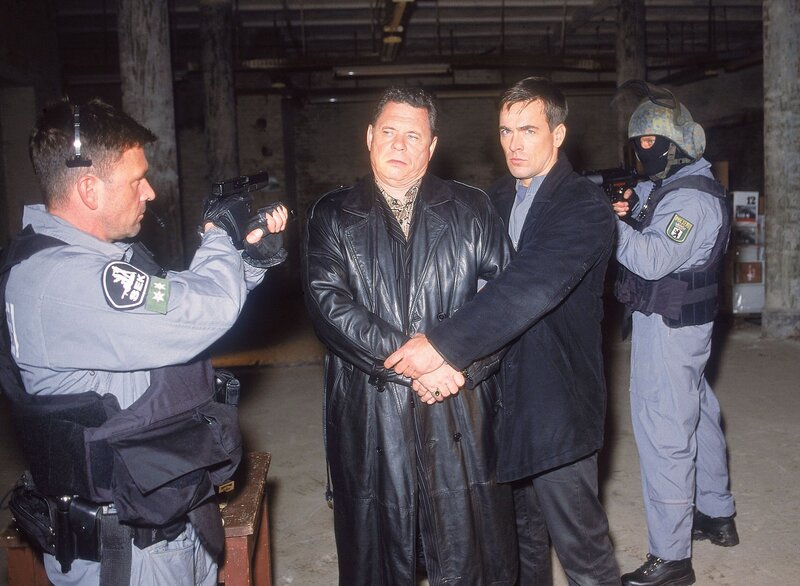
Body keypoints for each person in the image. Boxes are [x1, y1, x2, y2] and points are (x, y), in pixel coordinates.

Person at [0, 98, 288, 585]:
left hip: (161, 512)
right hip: (128, 550)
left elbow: (174, 305)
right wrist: (219, 235)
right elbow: (201, 311)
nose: (150, 192)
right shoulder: (62, 281)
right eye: (136, 180)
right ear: (89, 189)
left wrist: (247, 261)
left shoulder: (90, 260)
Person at [385, 77, 620, 585]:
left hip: (556, 401)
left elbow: (527, 288)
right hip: (501, 401)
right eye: (506, 131)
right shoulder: (494, 199)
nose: (514, 143)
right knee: (520, 547)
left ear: (558, 134)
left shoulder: (583, 207)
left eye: (528, 130)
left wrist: (441, 347)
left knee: (582, 550)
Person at [302, 87, 517, 585]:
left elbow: (506, 300)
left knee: (469, 554)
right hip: (371, 408)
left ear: (432, 146)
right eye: (389, 131)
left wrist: (456, 359)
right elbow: (328, 305)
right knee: (378, 553)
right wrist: (420, 362)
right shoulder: (332, 214)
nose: (399, 144)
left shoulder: (471, 208)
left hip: (458, 402)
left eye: (413, 135)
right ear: (369, 137)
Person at [611, 81, 738, 586]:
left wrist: (606, 224)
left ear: (677, 145)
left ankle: (671, 559)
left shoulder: (690, 201)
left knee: (664, 431)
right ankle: (716, 512)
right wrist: (629, 206)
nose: (643, 153)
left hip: (667, 327)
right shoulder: (683, 184)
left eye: (650, 143)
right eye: (638, 143)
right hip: (687, 327)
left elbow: (651, 258)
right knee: (698, 410)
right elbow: (652, 203)